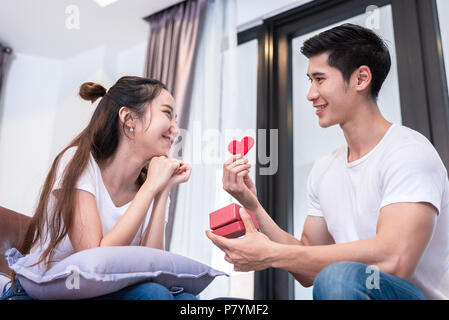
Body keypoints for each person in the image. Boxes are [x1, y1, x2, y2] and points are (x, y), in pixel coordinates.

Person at [206, 23, 449, 300]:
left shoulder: (409, 152)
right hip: (343, 289)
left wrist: (273, 254)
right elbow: (307, 269)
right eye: (310, 81)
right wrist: (253, 207)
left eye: (319, 79)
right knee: (223, 305)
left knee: (339, 277)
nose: (310, 94)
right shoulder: (325, 169)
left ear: (360, 79)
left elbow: (394, 261)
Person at [1, 76, 196, 300]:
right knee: (153, 294)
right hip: (54, 288)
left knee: (186, 300)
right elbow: (93, 258)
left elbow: (154, 268)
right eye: (167, 113)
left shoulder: (152, 184)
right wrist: (151, 188)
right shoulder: (78, 161)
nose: (175, 128)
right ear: (129, 118)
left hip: (102, 291)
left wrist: (162, 191)